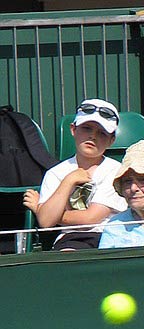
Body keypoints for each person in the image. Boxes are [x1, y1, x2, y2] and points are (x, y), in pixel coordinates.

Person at [24, 99, 127, 251]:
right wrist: (68, 181)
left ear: (111, 141)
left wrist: (42, 210)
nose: (93, 136)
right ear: (73, 129)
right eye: (86, 128)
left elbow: (90, 219)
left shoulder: (116, 171)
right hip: (72, 239)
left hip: (113, 236)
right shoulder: (56, 174)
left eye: (102, 133)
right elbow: (46, 222)